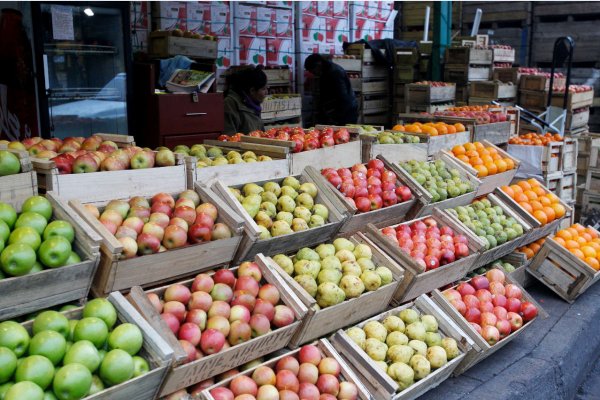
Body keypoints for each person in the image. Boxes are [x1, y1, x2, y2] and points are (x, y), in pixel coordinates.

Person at [304, 54, 358, 126]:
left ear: (318, 65)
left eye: (313, 71)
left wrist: (336, 119)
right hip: (338, 112)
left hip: (346, 113)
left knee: (344, 135)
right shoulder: (324, 72)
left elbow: (343, 97)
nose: (314, 74)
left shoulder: (334, 73)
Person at [223, 66, 268, 135]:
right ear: (252, 91)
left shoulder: (253, 104)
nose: (266, 92)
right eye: (264, 89)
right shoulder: (230, 104)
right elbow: (229, 137)